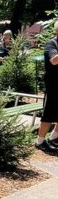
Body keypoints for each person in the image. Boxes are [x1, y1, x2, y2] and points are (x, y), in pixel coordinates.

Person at [35, 21, 58, 152]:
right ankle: (40, 141)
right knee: (48, 113)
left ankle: (54, 137)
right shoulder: (52, 43)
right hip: (53, 84)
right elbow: (54, 60)